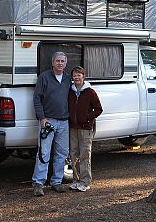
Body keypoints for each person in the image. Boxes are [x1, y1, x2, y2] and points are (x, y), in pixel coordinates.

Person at [32, 51, 72, 197]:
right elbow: (37, 99)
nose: (60, 63)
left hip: (64, 122)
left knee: (62, 154)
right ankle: (38, 183)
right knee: (43, 153)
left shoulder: (68, 78)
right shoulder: (44, 77)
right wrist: (42, 118)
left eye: (62, 61)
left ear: (66, 63)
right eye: (58, 61)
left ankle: (57, 181)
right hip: (48, 121)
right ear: (53, 62)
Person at [68, 66, 103, 192]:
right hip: (73, 128)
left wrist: (87, 118)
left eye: (79, 75)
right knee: (73, 155)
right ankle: (76, 180)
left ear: (83, 77)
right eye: (75, 75)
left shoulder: (90, 92)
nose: (77, 77)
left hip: (85, 128)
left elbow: (98, 109)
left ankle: (85, 181)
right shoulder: (70, 91)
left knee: (85, 155)